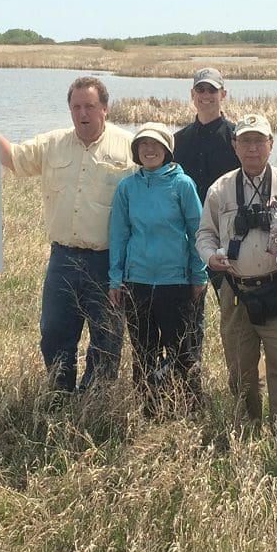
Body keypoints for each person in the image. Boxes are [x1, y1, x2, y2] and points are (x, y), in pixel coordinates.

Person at [0, 76, 134, 393]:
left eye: (90, 106)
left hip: (109, 263)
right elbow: (14, 158)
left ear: (105, 109)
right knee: (55, 334)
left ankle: (93, 404)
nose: (83, 113)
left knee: (107, 338)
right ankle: (60, 396)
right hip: (64, 259)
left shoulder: (128, 148)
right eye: (76, 107)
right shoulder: (52, 144)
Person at [196, 114, 277, 438]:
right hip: (236, 294)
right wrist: (212, 257)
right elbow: (204, 235)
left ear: (271, 144)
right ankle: (247, 434)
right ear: (235, 146)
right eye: (245, 141)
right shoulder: (220, 189)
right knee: (240, 372)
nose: (252, 148)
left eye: (259, 141)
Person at [108, 123, 207, 414]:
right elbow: (119, 234)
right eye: (143, 145)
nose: (150, 150)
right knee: (143, 352)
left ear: (167, 150)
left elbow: (197, 231)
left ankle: (189, 407)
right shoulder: (127, 187)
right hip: (137, 281)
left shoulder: (183, 184)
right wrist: (116, 278)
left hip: (174, 281)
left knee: (181, 351)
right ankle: (149, 411)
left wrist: (198, 274)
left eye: (156, 145)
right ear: (136, 152)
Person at [173, 67, 241, 362]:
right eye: (200, 90)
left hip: (229, 238)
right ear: (192, 95)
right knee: (188, 316)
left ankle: (242, 381)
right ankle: (190, 381)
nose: (206, 96)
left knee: (236, 314)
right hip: (188, 241)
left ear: (223, 95)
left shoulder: (239, 139)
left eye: (212, 90)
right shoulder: (177, 141)